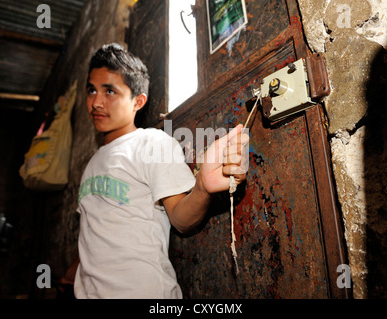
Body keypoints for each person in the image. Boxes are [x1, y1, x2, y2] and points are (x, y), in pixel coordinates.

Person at [59, 43, 249, 299]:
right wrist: (71, 273)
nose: (96, 102)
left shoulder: (153, 143)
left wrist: (202, 187)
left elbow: (181, 220)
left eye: (110, 91)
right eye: (91, 90)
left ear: (138, 101)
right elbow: (94, 230)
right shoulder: (93, 162)